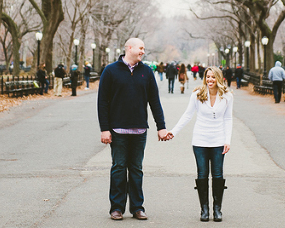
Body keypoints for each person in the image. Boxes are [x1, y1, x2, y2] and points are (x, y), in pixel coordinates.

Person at [97, 37, 168, 221]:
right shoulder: (110, 71)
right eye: (141, 48)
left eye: (144, 48)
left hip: (139, 131)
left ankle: (137, 207)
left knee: (136, 169)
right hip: (117, 130)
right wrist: (105, 129)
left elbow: (154, 101)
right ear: (129, 48)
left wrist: (161, 127)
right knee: (119, 168)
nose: (143, 51)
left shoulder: (146, 72)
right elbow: (102, 102)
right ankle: (117, 208)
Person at [166, 66, 233, 222]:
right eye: (208, 77)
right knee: (202, 174)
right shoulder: (197, 94)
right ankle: (204, 209)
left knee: (217, 174)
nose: (210, 80)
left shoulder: (227, 96)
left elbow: (228, 119)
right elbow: (187, 115)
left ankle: (217, 209)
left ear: (219, 78)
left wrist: (227, 140)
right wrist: (174, 131)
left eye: (213, 77)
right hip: (200, 140)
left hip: (218, 140)